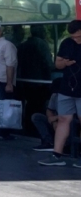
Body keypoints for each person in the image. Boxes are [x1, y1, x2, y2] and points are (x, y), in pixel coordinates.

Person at [39, 20, 81, 166]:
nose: (76, 40)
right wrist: (65, 63)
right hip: (67, 87)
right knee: (63, 119)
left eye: (79, 37)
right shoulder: (67, 43)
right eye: (74, 37)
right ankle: (57, 154)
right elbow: (57, 64)